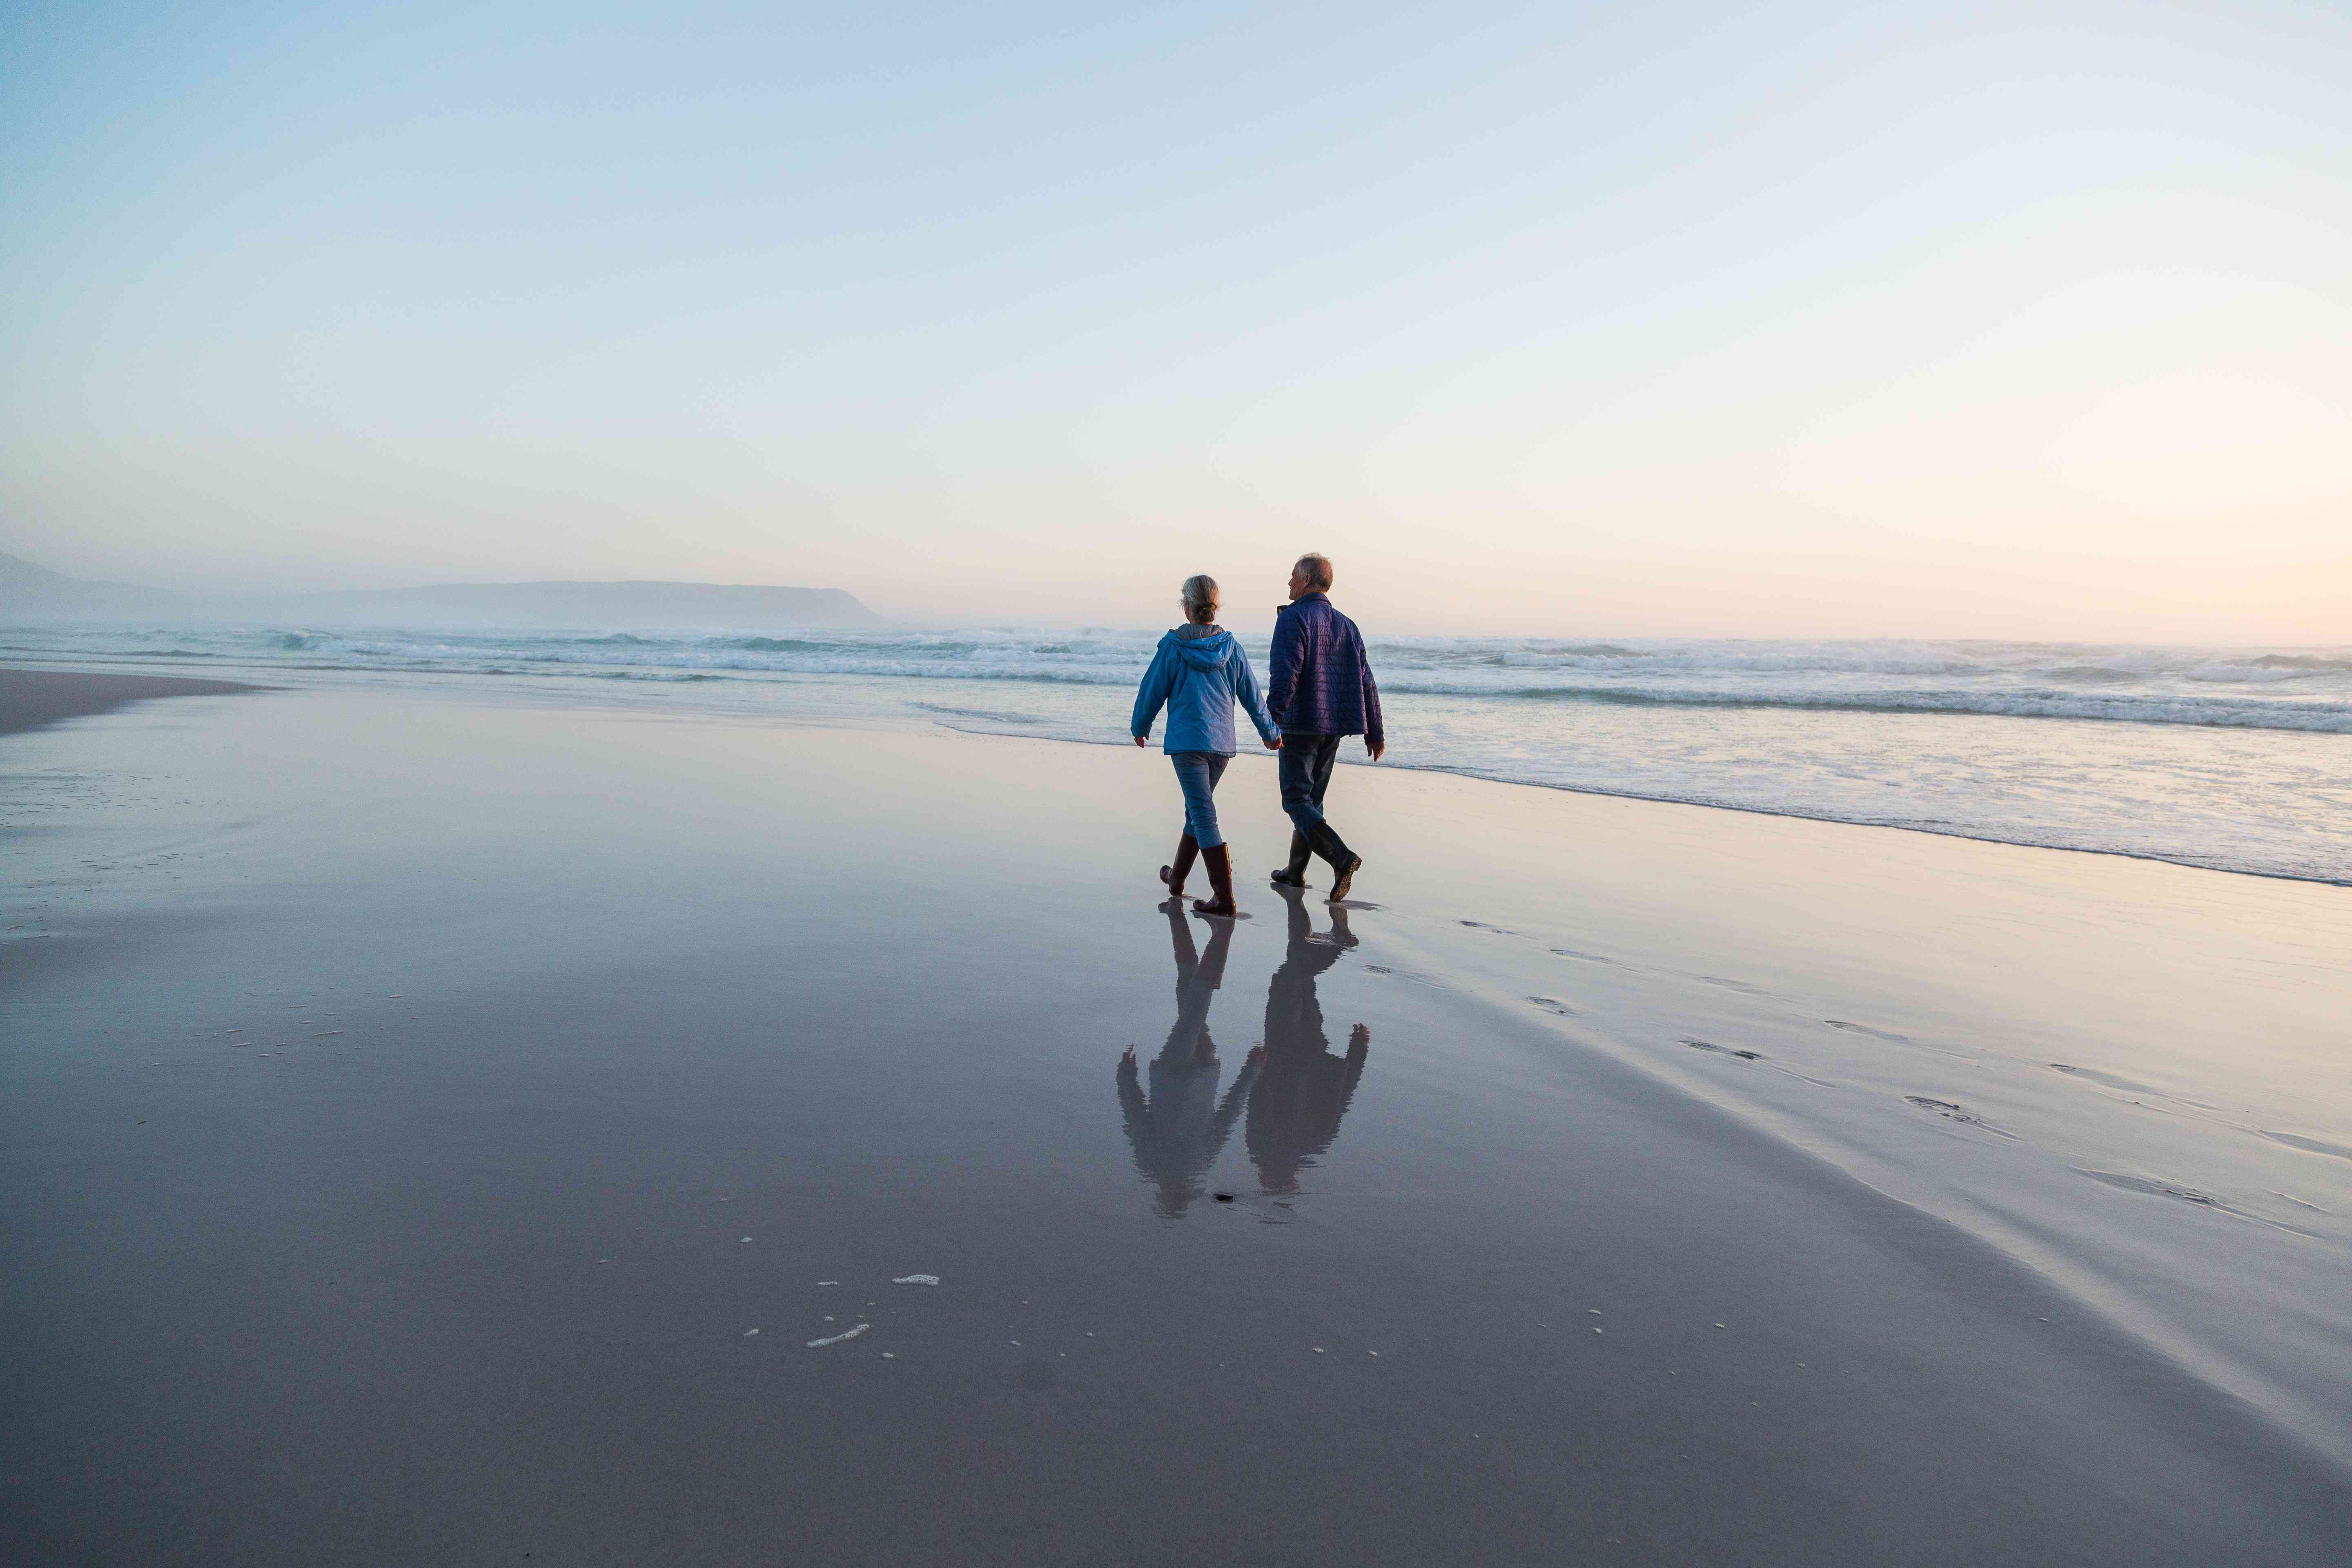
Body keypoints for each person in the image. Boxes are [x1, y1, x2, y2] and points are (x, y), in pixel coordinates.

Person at [1131, 574, 1281, 917]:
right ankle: (1176, 880)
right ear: (1215, 607)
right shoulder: (1232, 647)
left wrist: (1140, 726)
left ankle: (1224, 898)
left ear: (1187, 607)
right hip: (1221, 745)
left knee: (1202, 813)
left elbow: (1152, 688)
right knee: (1196, 812)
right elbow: (1253, 696)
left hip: (1188, 744)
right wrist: (1270, 731)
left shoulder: (1174, 646)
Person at [1115, 902, 1261, 1218]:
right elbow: (1136, 1118)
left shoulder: (1195, 1166)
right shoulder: (1155, 1165)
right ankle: (1218, 935)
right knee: (1194, 1001)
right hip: (1173, 1075)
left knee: (1192, 1003)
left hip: (1203, 1072)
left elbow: (1227, 1117)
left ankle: (1187, 928)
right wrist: (1125, 1077)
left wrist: (1251, 1072)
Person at [1265, 552, 1383, 900]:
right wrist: (1375, 732)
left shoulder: (1294, 619)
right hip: (1334, 726)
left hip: (1302, 723)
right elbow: (1368, 682)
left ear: (1307, 580)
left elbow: (1286, 673)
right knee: (1311, 800)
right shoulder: (1347, 625)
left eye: (1292, 577)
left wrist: (1273, 718)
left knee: (1295, 800)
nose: (1288, 583)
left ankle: (1341, 858)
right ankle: (1294, 873)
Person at [1245, 885, 1370, 1196]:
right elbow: (1258, 1104)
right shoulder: (1265, 1146)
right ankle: (1337, 945)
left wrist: (1359, 1052)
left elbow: (1341, 1100)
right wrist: (1255, 1070)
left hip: (1313, 1046)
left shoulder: (1313, 1146)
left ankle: (1299, 909)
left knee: (1299, 978)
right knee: (1289, 978)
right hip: (1283, 1051)